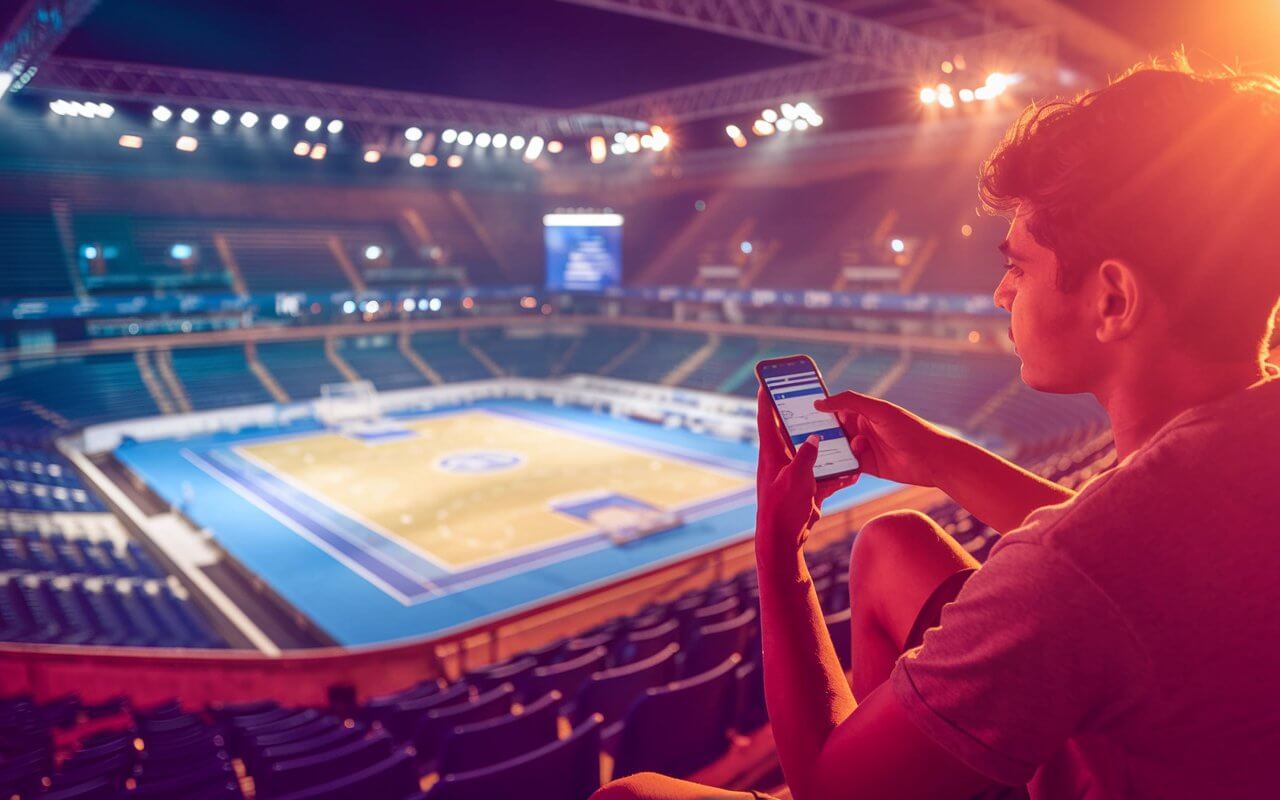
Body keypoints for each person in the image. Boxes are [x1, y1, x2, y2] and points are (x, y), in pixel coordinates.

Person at [595, 55, 1280, 800]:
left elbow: (826, 787)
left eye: (1018, 266)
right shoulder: (1239, 439)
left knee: (626, 798)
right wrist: (944, 459)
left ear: (1112, 299)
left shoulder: (1068, 572)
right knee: (894, 542)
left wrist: (777, 550)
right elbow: (1140, 561)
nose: (1000, 292)